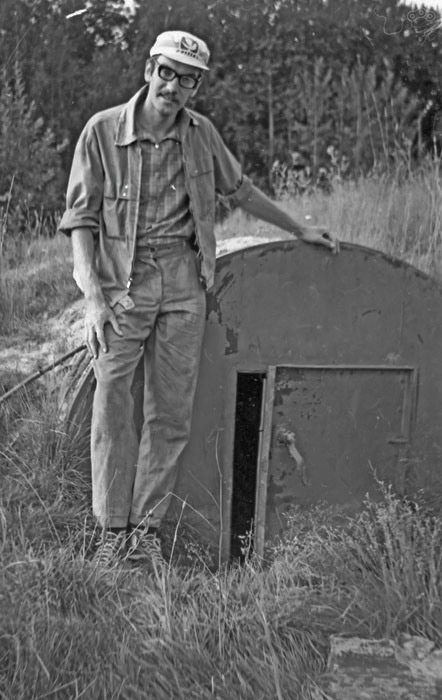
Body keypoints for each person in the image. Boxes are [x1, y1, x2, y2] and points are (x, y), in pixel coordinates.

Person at [58, 30, 339, 561]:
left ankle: (143, 533)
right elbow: (80, 220)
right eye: (167, 73)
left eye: (187, 80)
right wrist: (93, 297)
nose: (174, 86)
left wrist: (298, 228)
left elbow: (241, 190)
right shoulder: (102, 131)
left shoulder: (200, 134)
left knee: (170, 414)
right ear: (150, 70)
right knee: (111, 401)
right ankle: (110, 533)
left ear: (195, 87)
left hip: (185, 283)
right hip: (122, 285)